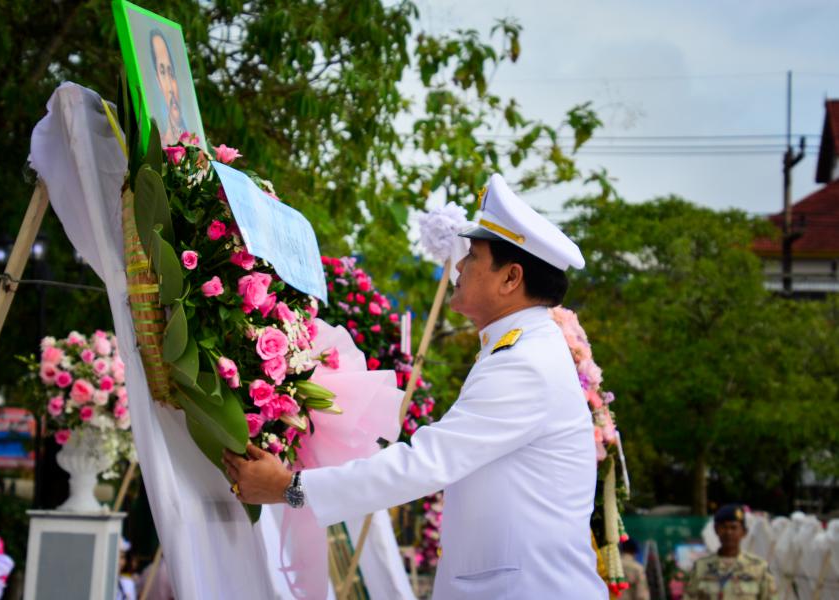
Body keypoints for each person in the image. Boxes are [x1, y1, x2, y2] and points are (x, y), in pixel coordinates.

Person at [223, 173, 608, 599]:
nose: (459, 266)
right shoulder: (521, 348)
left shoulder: (524, 362)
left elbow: (425, 463)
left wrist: (290, 488)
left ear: (510, 278)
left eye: (473, 256)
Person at [685, 504, 777, 600]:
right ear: (716, 530)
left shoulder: (759, 567)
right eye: (724, 527)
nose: (728, 532)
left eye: (733, 528)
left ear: (744, 532)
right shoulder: (701, 567)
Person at [149, 28, 187, 146]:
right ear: (158, 81)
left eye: (171, 73)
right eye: (163, 73)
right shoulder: (159, 144)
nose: (170, 88)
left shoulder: (195, 142)